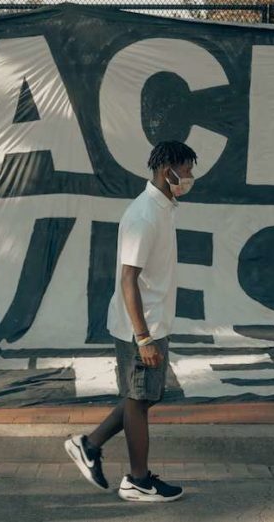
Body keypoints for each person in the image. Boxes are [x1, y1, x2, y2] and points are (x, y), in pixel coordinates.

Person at [64, 140, 196, 503]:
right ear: (166, 168)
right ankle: (138, 481)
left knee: (144, 396)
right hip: (140, 327)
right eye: (185, 171)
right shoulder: (143, 215)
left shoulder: (164, 207)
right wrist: (143, 337)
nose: (189, 178)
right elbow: (128, 279)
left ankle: (88, 445)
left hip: (154, 322)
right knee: (138, 399)